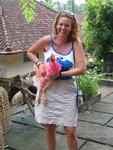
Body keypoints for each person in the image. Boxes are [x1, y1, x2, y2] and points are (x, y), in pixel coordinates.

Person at [27, 12, 86, 150]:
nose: (63, 28)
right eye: (61, 24)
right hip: (48, 92)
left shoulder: (75, 43)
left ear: (72, 27)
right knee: (49, 126)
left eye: (67, 25)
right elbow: (30, 52)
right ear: (56, 24)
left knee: (70, 131)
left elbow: (82, 69)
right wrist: (39, 63)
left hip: (67, 92)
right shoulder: (47, 40)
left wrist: (59, 74)